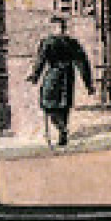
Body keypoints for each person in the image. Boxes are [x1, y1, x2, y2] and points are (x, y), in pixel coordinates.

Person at [27, 15, 94, 146]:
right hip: (67, 75)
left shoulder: (48, 42)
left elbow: (41, 61)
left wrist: (35, 76)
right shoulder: (71, 42)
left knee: (49, 104)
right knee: (63, 105)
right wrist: (88, 84)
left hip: (54, 75)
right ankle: (62, 131)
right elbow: (82, 63)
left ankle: (62, 130)